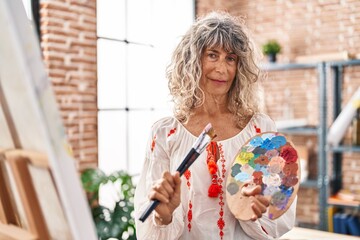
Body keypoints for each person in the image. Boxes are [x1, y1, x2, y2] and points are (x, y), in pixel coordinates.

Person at [134, 11, 296, 240]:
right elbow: (148, 224)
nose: (222, 68)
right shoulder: (165, 133)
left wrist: (255, 209)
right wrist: (164, 215)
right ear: (192, 61)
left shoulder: (260, 129)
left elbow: (281, 215)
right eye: (212, 55)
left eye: (231, 58)